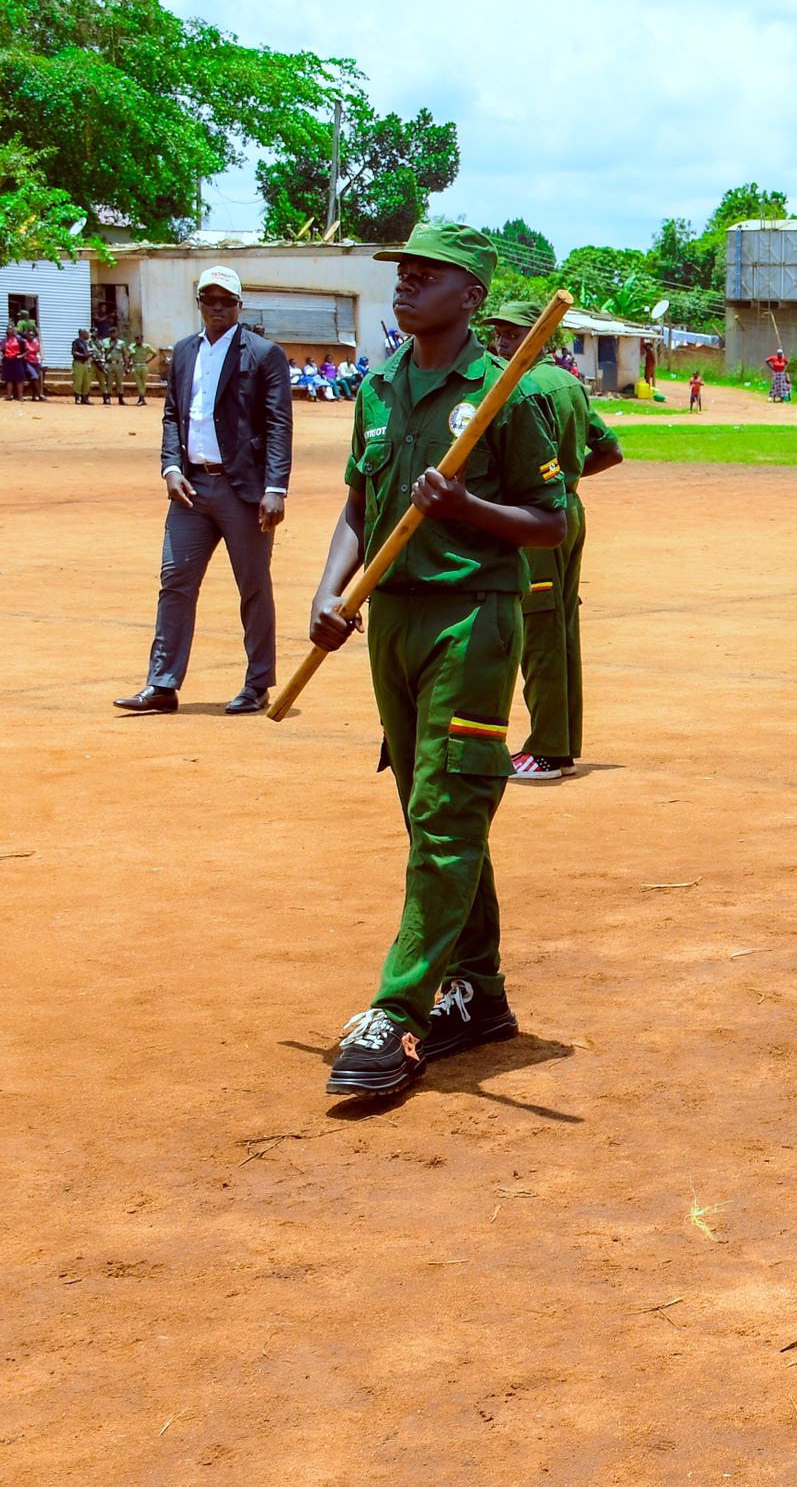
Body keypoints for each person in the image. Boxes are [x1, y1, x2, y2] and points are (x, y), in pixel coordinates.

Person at [306, 223, 568, 1097]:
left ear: (472, 297)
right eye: (403, 271)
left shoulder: (503, 396)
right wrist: (332, 590)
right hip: (393, 622)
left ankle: (399, 1010)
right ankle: (479, 995)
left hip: (473, 620)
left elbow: (550, 523)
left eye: (429, 274)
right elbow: (357, 502)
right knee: (432, 813)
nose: (407, 282)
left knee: (448, 809)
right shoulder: (377, 386)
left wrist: (466, 507)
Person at [116, 267, 294, 717]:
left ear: (240, 303)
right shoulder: (181, 352)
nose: (218, 307)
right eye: (209, 299)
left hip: (244, 490)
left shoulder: (264, 354)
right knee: (175, 581)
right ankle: (162, 684)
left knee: (252, 586)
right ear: (199, 302)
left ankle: (257, 685)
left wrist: (276, 487)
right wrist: (170, 466)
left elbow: (278, 424)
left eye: (226, 300)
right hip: (191, 489)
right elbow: (173, 415)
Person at [484, 300, 624, 782]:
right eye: (497, 333)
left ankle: (545, 749)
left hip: (533, 518)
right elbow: (610, 450)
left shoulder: (518, 387)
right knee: (561, 628)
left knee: (539, 633)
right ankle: (560, 745)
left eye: (511, 333)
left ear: (539, 337)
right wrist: (566, 480)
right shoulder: (567, 383)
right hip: (567, 511)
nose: (500, 341)